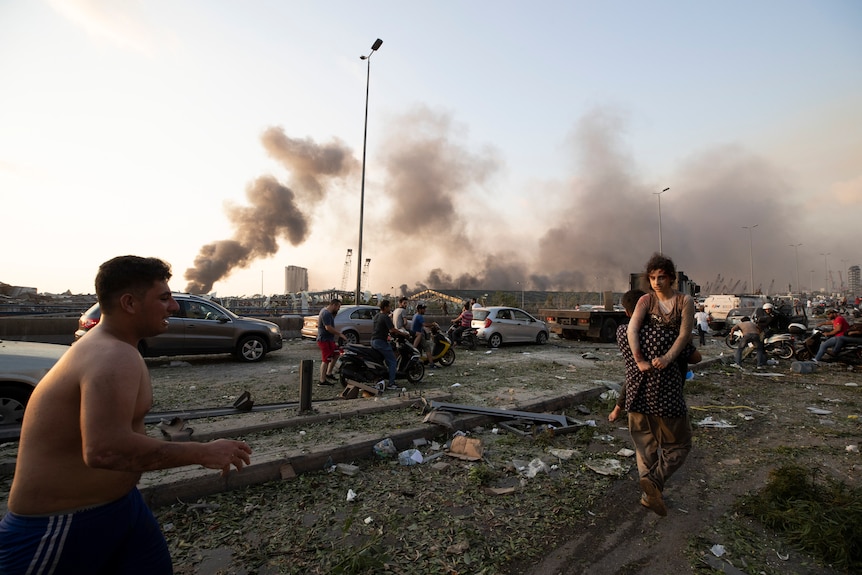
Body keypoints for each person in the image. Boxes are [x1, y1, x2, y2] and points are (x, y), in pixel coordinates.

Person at [0, 256, 252, 574]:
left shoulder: (121, 349)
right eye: (164, 298)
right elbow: (105, 449)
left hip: (121, 506)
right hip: (62, 523)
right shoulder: (111, 354)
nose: (174, 307)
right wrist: (203, 452)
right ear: (129, 303)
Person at [624, 253, 695, 517]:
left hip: (641, 391)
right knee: (679, 444)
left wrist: (666, 358)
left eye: (661, 277)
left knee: (645, 445)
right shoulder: (646, 300)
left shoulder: (684, 302)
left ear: (671, 278)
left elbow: (685, 333)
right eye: (652, 278)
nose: (656, 282)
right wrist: (641, 358)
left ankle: (649, 493)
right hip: (665, 392)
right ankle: (653, 484)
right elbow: (633, 330)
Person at [609, 289, 701, 423]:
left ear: (627, 313)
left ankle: (617, 409)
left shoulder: (622, 332)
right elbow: (696, 358)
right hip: (667, 404)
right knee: (677, 443)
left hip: (636, 401)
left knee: (644, 442)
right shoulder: (667, 334)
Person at [370, 299, 401, 389]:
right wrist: (403, 333)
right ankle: (391, 383)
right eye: (389, 306)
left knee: (380, 361)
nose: (390, 308)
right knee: (392, 361)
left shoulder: (377, 316)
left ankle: (380, 378)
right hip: (380, 342)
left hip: (373, 341)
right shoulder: (385, 317)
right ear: (385, 307)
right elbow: (392, 329)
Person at [317, 299, 346, 385]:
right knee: (326, 359)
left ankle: (329, 373)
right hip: (324, 340)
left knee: (336, 354)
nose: (338, 309)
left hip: (329, 339)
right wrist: (339, 334)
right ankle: (322, 380)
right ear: (334, 305)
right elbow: (328, 328)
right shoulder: (325, 314)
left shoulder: (328, 313)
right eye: (338, 307)